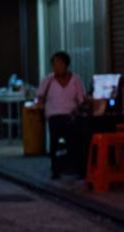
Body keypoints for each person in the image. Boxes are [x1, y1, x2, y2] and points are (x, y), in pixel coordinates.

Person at [35, 51, 87, 179]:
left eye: (59, 63)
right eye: (54, 64)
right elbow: (40, 96)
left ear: (66, 65)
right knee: (54, 143)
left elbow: (81, 99)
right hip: (54, 116)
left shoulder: (75, 80)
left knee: (73, 143)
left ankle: (75, 168)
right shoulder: (48, 80)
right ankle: (55, 169)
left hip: (70, 116)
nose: (56, 66)